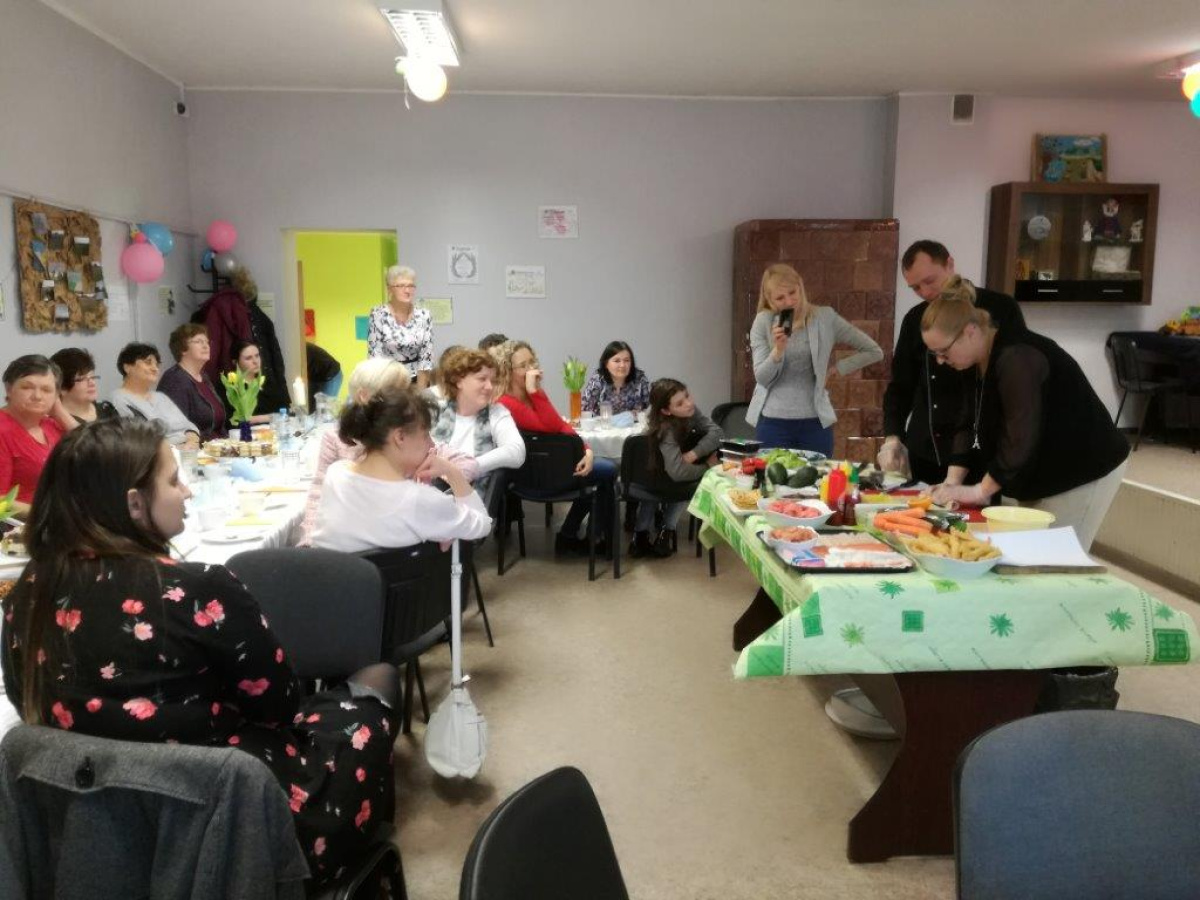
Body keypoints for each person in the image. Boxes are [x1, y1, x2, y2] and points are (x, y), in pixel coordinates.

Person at [0, 419, 398, 882]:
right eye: (174, 481)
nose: (187, 491)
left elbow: (29, 706)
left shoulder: (26, 595)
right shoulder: (197, 589)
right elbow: (279, 706)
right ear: (134, 503)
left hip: (93, 829)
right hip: (227, 822)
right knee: (373, 692)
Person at [922, 276, 1129, 549]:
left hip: (1081, 466)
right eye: (934, 354)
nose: (940, 361)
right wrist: (951, 483)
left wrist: (980, 491)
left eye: (943, 352)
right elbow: (967, 421)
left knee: (1056, 559)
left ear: (970, 331)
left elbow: (1019, 434)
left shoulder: (1017, 357)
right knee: (1025, 554)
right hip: (1038, 466)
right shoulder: (972, 359)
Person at [879, 240, 1027, 484]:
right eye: (915, 288)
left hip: (980, 453)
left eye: (929, 281)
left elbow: (1011, 389)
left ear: (949, 264)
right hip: (926, 450)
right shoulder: (915, 319)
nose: (925, 292)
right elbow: (900, 386)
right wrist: (893, 437)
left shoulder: (1000, 308)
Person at [311, 386, 493, 552]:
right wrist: (452, 472)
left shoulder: (336, 474)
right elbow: (483, 525)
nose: (431, 445)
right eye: (425, 435)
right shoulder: (421, 500)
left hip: (330, 577)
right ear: (400, 437)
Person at [493, 340, 617, 555]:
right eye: (522, 365)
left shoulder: (532, 396)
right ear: (507, 371)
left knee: (603, 478)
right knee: (608, 472)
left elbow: (561, 426)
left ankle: (578, 537)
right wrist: (535, 391)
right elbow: (550, 428)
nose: (531, 369)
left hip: (554, 468)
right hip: (533, 477)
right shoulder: (505, 402)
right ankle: (582, 538)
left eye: (532, 362)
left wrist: (587, 450)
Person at [746, 264, 883, 455]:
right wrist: (778, 350)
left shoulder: (825, 318)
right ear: (770, 300)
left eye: (792, 292)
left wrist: (838, 368)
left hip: (815, 423)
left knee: (818, 474)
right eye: (780, 298)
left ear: (800, 287)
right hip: (773, 423)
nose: (789, 301)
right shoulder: (763, 322)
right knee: (773, 475)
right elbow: (762, 377)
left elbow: (874, 350)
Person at [633, 378, 723, 559]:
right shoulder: (666, 430)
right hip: (657, 475)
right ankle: (660, 533)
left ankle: (646, 535)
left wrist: (695, 453)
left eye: (687, 396)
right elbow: (679, 473)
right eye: (680, 403)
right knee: (683, 481)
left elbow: (717, 432)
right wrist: (707, 466)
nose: (689, 403)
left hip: (666, 472)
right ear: (666, 411)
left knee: (679, 479)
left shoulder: (690, 412)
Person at [430, 348, 526, 486]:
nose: (489, 386)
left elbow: (517, 452)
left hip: (474, 496)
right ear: (458, 381)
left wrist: (471, 466)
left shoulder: (497, 413)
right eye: (482, 379)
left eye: (493, 381)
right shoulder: (436, 410)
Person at [0, 355, 77, 516]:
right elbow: (1, 501)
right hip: (22, 523)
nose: (37, 396)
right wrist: (48, 514)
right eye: (27, 387)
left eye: (46, 390)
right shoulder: (3, 430)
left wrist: (61, 413)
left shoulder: (52, 424)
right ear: (9, 389)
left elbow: (97, 453)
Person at [110, 343, 200, 448]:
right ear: (127, 367)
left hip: (188, 451)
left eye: (157, 365)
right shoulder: (118, 400)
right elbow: (138, 442)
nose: (155, 368)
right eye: (148, 362)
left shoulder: (161, 397)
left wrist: (192, 440)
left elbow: (188, 426)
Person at [158, 324, 227, 442]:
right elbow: (177, 430)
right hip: (196, 449)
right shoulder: (175, 379)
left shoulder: (204, 377)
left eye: (207, 342)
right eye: (199, 341)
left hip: (218, 445)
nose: (206, 346)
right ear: (183, 349)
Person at [367, 266, 434, 389]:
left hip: (417, 379)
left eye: (411, 286)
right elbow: (375, 356)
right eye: (401, 286)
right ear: (390, 289)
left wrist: (420, 392)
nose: (407, 290)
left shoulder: (424, 315)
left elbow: (426, 356)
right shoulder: (378, 314)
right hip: (387, 380)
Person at [50, 348, 119, 425]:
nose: (92, 383)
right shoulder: (53, 423)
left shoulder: (107, 411)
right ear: (62, 387)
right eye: (82, 379)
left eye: (93, 377)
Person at [581, 340, 651, 416]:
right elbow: (586, 410)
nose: (622, 365)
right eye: (617, 361)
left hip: (634, 423)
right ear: (606, 364)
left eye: (627, 360)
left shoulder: (640, 378)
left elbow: (650, 408)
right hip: (603, 423)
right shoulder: (598, 379)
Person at [224, 339, 273, 425]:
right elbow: (232, 420)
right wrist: (266, 418)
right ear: (235, 362)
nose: (255, 361)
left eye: (257, 356)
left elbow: (284, 412)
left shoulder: (268, 382)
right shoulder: (229, 386)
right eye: (248, 358)